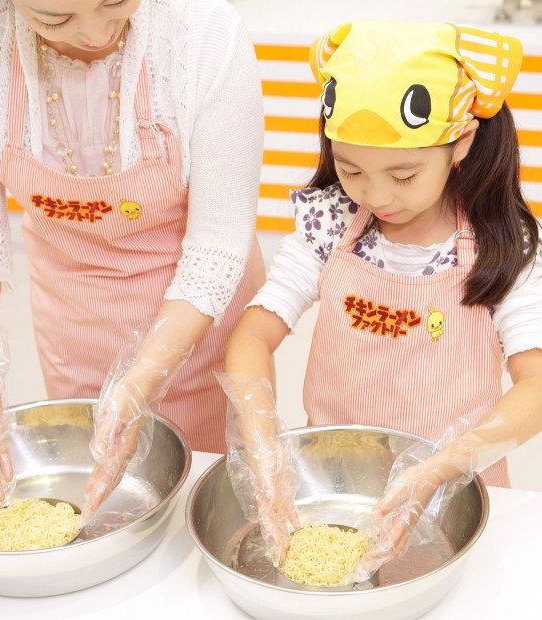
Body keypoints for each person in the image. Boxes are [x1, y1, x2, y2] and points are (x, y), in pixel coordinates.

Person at [219, 21, 542, 572]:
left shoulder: (500, 243)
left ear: (460, 141)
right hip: (337, 481)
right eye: (352, 170)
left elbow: (534, 386)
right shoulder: (330, 223)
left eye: (404, 173)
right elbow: (253, 334)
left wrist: (442, 466)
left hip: (458, 487)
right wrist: (262, 437)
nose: (376, 194)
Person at [0, 0, 265, 516]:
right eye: (54, 19)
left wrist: (140, 380)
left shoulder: (206, 34)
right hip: (72, 320)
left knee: (206, 501)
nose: (94, 33)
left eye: (117, 2)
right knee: (104, 493)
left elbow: (216, 246)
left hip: (199, 323)